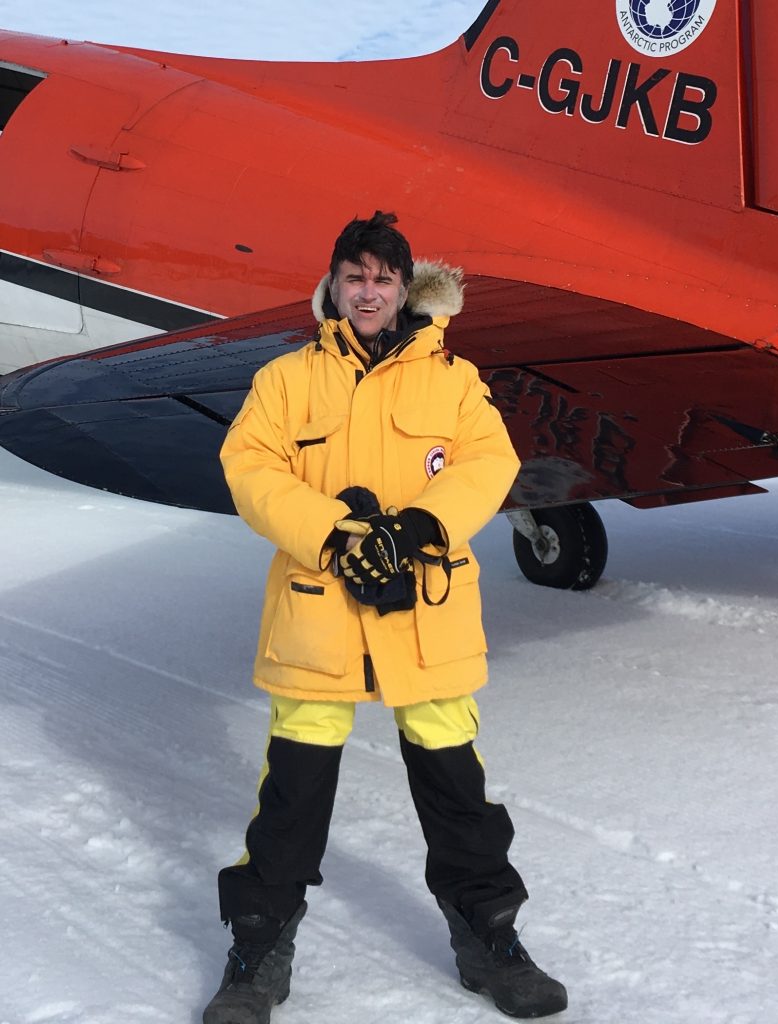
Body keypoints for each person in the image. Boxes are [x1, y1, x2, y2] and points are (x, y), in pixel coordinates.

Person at [203, 211, 568, 1023]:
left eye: (383, 278)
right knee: (292, 797)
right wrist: (333, 536)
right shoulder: (287, 377)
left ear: (406, 290)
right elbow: (249, 467)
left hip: (422, 614)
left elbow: (488, 461)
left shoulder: (453, 379)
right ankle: (257, 950)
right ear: (333, 284)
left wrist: (417, 529)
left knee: (457, 793)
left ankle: (490, 938)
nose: (368, 291)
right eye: (354, 276)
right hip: (319, 614)